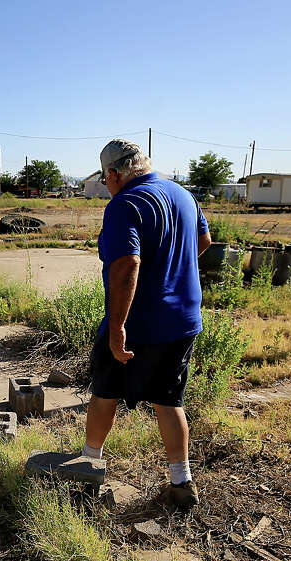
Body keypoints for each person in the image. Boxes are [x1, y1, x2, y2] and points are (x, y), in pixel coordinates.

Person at [81, 139, 212, 508]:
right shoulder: (184, 195)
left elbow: (127, 265)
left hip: (139, 323)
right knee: (169, 400)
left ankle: (88, 467)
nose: (107, 186)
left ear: (113, 173)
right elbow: (203, 240)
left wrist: (117, 327)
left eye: (106, 179)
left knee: (105, 393)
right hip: (183, 320)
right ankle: (181, 482)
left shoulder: (124, 204)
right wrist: (170, 267)